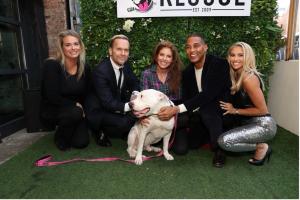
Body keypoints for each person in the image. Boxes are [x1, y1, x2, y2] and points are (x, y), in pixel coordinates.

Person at [157, 33, 231, 167]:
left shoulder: (219, 64)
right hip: (199, 115)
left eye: (196, 46)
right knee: (191, 144)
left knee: (208, 110)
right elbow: (187, 98)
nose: (192, 50)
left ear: (205, 47)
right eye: (188, 47)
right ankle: (211, 135)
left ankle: (219, 150)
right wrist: (169, 107)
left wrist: (176, 109)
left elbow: (208, 95)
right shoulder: (187, 72)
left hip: (221, 110)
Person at [217, 42, 277, 166]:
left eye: (240, 55)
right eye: (232, 55)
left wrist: (235, 110)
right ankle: (260, 147)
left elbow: (262, 110)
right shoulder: (236, 75)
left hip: (263, 126)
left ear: (248, 57)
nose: (235, 59)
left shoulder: (249, 79)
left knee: (224, 141)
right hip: (247, 122)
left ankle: (261, 147)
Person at [85, 34, 139, 146]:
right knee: (125, 122)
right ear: (110, 51)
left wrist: (135, 95)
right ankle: (99, 130)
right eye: (119, 49)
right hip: (99, 110)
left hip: (115, 104)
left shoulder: (126, 64)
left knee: (134, 117)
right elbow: (107, 102)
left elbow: (134, 82)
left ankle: (120, 128)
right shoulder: (101, 71)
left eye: (126, 50)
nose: (123, 53)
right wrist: (133, 106)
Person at [40, 30, 90, 151]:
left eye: (76, 44)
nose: (73, 48)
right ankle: (60, 137)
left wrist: (85, 110)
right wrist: (75, 105)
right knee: (74, 112)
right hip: (55, 108)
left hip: (76, 111)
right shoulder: (52, 65)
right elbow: (52, 96)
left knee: (81, 143)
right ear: (62, 47)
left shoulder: (85, 67)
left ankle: (71, 126)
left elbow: (88, 93)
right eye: (68, 45)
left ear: (80, 46)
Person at [140, 40, 189, 155]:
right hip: (154, 116)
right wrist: (141, 117)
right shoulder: (146, 74)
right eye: (162, 54)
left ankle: (168, 136)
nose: (164, 59)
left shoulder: (177, 75)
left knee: (181, 150)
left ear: (172, 59)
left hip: (173, 116)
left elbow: (180, 99)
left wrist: (171, 112)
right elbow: (143, 101)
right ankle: (156, 137)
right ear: (156, 56)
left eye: (168, 56)